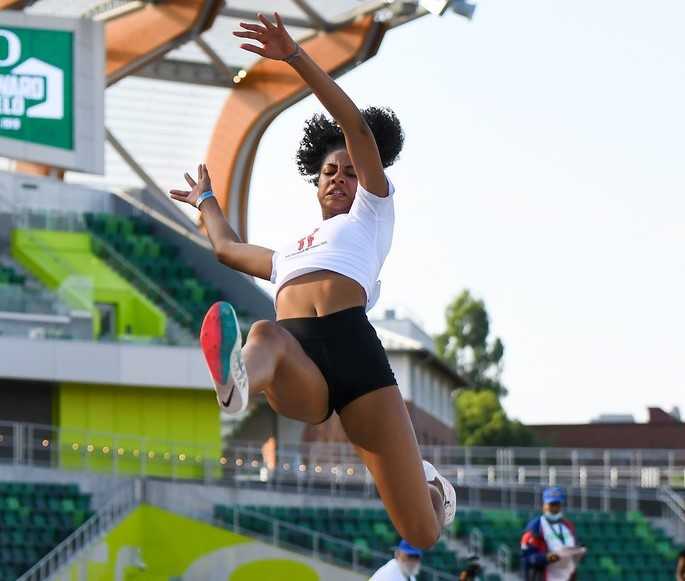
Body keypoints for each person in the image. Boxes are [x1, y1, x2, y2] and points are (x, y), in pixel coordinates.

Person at [169, 12, 455, 549]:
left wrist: (296, 56)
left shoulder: (372, 213)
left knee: (420, 531)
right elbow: (228, 249)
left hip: (357, 356)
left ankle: (436, 491)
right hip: (298, 362)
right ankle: (237, 384)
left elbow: (357, 129)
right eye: (331, 173)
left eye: (350, 171)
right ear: (316, 185)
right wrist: (206, 201)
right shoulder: (287, 255)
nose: (341, 179)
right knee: (264, 333)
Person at [520, 486, 583, 581]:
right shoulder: (535, 528)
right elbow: (528, 559)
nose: (554, 508)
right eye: (551, 505)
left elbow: (577, 547)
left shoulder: (569, 526)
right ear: (544, 505)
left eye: (557, 505)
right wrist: (555, 557)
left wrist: (579, 552)